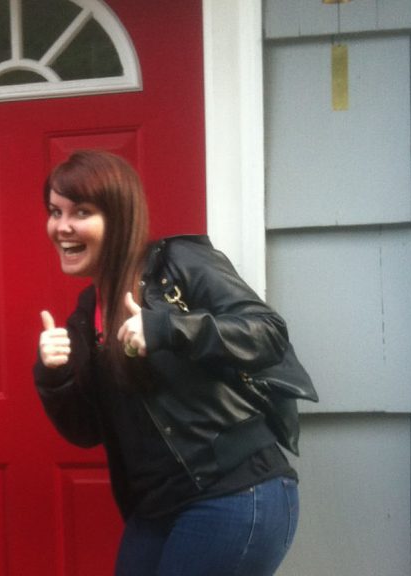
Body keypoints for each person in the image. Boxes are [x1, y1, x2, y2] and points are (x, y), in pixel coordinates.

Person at [34, 150, 301, 575]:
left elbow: (268, 332)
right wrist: (53, 376)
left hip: (234, 490)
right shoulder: (87, 315)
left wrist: (167, 329)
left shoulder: (177, 265)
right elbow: (86, 432)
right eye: (54, 211)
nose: (61, 227)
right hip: (156, 509)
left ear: (118, 217)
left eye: (80, 211)